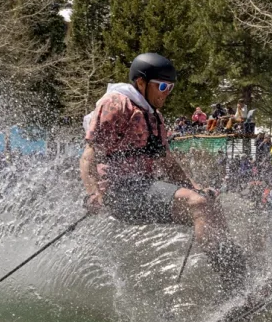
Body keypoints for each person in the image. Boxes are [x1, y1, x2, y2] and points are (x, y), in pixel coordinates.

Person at [80, 53, 242, 277]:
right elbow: (88, 156)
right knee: (199, 204)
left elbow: (167, 162)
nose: (167, 93)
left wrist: (195, 186)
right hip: (120, 193)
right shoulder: (116, 104)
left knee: (210, 204)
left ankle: (236, 277)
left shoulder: (153, 116)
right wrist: (93, 193)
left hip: (144, 188)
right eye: (163, 86)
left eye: (171, 88)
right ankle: (234, 281)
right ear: (141, 82)